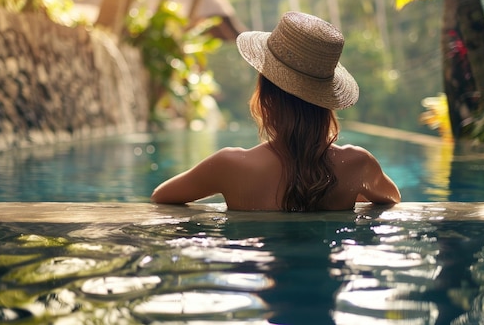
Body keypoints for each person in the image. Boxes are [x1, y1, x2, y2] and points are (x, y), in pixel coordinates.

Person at [151, 11, 401, 211]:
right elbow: (392, 198)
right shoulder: (358, 164)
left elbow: (162, 196)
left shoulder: (229, 165)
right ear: (326, 103)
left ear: (266, 100)